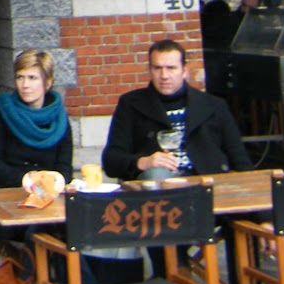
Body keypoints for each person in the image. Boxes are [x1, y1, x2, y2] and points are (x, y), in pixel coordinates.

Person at [102, 39, 251, 182]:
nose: (164, 76)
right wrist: (142, 162)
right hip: (156, 188)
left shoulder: (213, 105)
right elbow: (111, 161)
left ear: (184, 71)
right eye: (157, 68)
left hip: (205, 184)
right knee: (157, 174)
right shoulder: (131, 104)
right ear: (149, 70)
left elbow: (239, 159)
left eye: (171, 68)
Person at [0, 49, 72, 189]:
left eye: (32, 78)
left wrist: (52, 183)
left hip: (47, 191)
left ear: (47, 82)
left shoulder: (59, 117)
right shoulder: (4, 110)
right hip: (6, 189)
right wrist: (26, 180)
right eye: (20, 77)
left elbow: (64, 167)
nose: (25, 85)